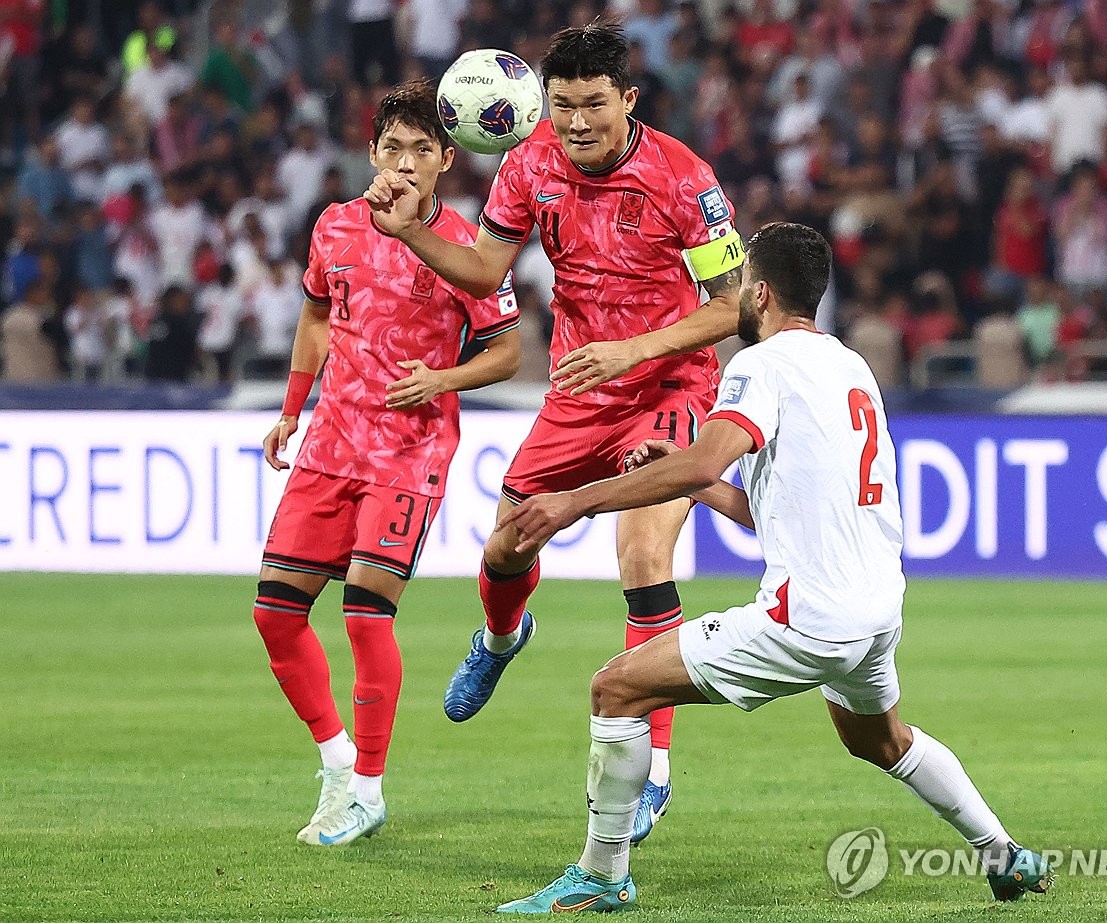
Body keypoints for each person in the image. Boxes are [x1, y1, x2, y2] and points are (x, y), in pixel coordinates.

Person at [493, 223, 1054, 912]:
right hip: (875, 610)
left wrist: (572, 503)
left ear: (760, 292)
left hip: (809, 615)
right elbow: (769, 505)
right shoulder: (850, 366)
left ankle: (603, 874)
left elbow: (703, 458)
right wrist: (692, 485)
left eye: (737, 284)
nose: (728, 296)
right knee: (883, 740)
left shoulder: (761, 367)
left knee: (616, 688)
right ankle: (1004, 853)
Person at [365, 22, 746, 845]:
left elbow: (733, 306)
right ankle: (503, 635)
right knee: (505, 548)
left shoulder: (687, 178)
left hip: (668, 383)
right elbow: (486, 273)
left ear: (628, 100)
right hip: (580, 392)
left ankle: (653, 770)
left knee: (644, 556)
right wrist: (409, 234)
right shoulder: (527, 162)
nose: (577, 122)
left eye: (594, 105)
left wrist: (635, 350)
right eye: (564, 104)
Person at [253, 80, 522, 847]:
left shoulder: (469, 248)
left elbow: (506, 351)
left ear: (446, 160)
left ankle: (368, 790)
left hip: (410, 449)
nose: (404, 165)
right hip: (331, 443)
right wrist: (291, 408)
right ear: (372, 152)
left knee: (366, 612)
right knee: (274, 612)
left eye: (421, 152)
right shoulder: (335, 226)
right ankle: (337, 762)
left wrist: (443, 379)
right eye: (392, 149)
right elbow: (314, 313)